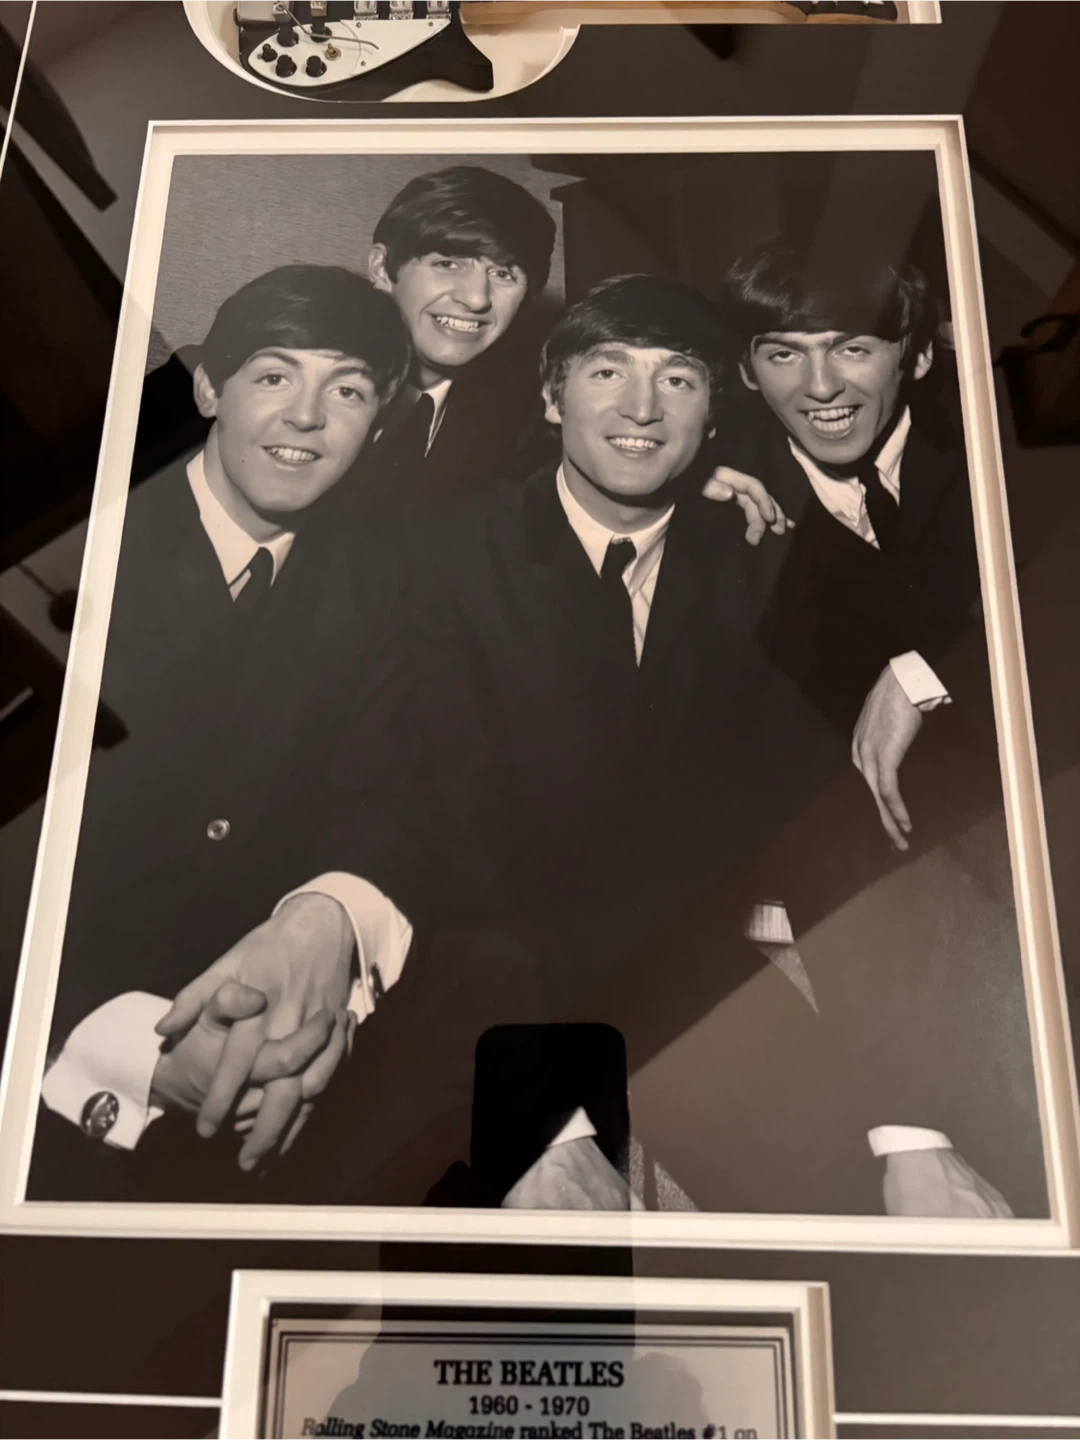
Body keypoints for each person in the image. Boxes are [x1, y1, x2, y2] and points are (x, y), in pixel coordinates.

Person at [31, 265, 420, 1200]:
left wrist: (328, 915)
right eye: (275, 375)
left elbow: (390, 789)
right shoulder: (64, 556)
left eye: (349, 391)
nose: (307, 417)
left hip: (280, 1069)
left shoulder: (380, 582)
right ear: (207, 387)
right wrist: (131, 1046)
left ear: (379, 425)